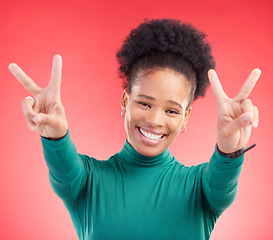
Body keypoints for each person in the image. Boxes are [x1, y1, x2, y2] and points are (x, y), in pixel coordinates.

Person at [9, 19, 261, 240]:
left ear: (185, 118)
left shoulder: (201, 188)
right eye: (144, 103)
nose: (154, 119)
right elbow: (62, 170)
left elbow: (223, 182)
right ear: (125, 101)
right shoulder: (85, 180)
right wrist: (54, 135)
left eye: (171, 111)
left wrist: (230, 150)